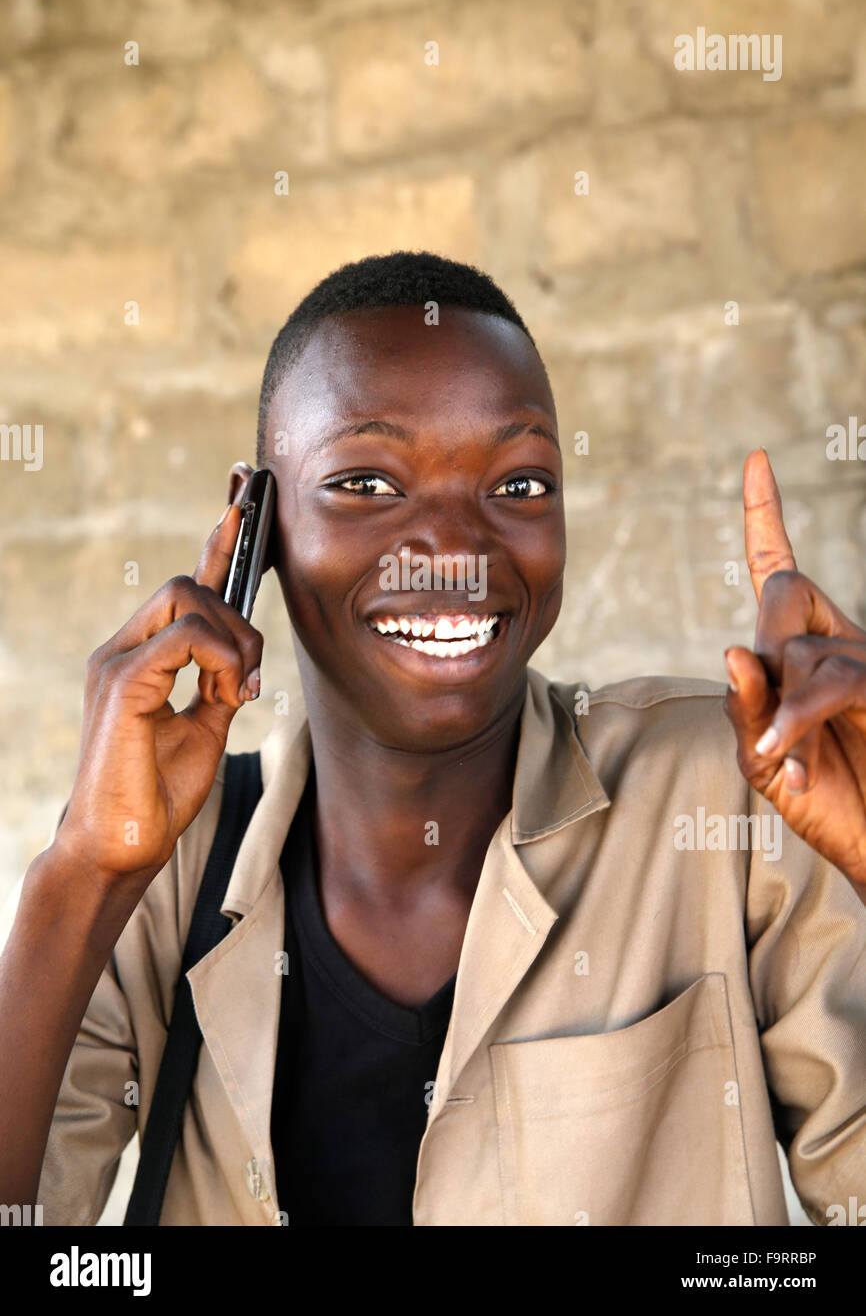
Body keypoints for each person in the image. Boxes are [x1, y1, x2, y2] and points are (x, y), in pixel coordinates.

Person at [1, 250, 864, 1226]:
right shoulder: (163, 875)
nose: (454, 549)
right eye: (367, 482)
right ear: (256, 526)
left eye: (519, 484)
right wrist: (81, 874)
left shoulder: (731, 790)